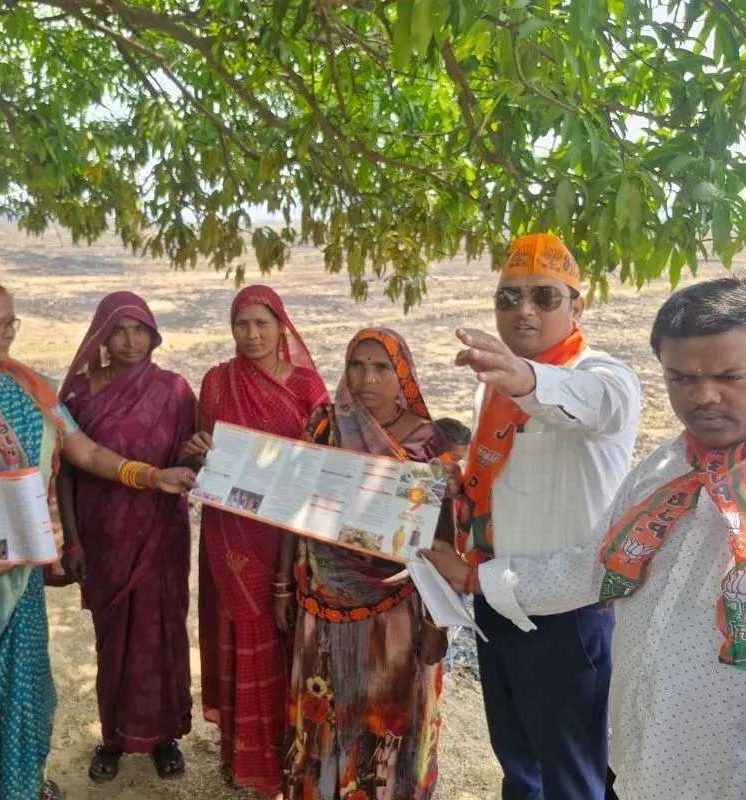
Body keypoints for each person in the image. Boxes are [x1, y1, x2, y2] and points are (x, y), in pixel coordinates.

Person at [424, 275, 746, 799]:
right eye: (681, 378)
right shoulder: (664, 470)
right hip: (647, 769)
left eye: (730, 376)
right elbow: (594, 569)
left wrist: (526, 377)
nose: (703, 396)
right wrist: (477, 579)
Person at [0, 277, 196, 800]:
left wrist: (150, 475)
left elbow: (87, 453)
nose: (7, 334)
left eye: (12, 323)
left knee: (30, 696)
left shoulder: (30, 389)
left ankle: (23, 786)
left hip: (18, 580)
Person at [440, 234, 642, 800]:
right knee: (517, 763)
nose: (523, 310)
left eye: (543, 296)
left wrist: (527, 380)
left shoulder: (604, 376)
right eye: (509, 297)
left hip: (565, 615)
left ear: (577, 306)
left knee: (571, 776)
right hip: (496, 598)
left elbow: (589, 404)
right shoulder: (499, 384)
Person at [284, 328, 453, 800]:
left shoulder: (427, 443)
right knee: (326, 716)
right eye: (357, 364)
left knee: (389, 718)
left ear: (404, 377)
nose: (366, 377)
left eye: (382, 367)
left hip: (396, 612)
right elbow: (294, 511)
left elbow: (444, 541)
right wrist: (284, 587)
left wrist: (439, 623)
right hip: (322, 606)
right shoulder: (323, 427)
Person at [181, 285, 331, 796]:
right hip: (231, 534)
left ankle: (290, 753)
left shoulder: (308, 387)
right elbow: (208, 456)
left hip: (286, 535)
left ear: (281, 327)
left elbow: (323, 463)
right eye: (241, 324)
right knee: (235, 638)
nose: (251, 335)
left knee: (288, 635)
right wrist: (199, 452)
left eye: (262, 324)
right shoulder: (217, 381)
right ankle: (240, 753)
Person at [52, 292, 198, 782]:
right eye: (120, 330)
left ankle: (164, 737)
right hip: (104, 537)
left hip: (162, 534)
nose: (131, 341)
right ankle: (113, 737)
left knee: (163, 636)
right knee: (112, 641)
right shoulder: (79, 394)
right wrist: (72, 543)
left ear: (155, 335)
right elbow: (68, 471)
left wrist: (198, 458)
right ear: (101, 336)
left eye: (141, 330)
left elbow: (192, 459)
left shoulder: (176, 391)